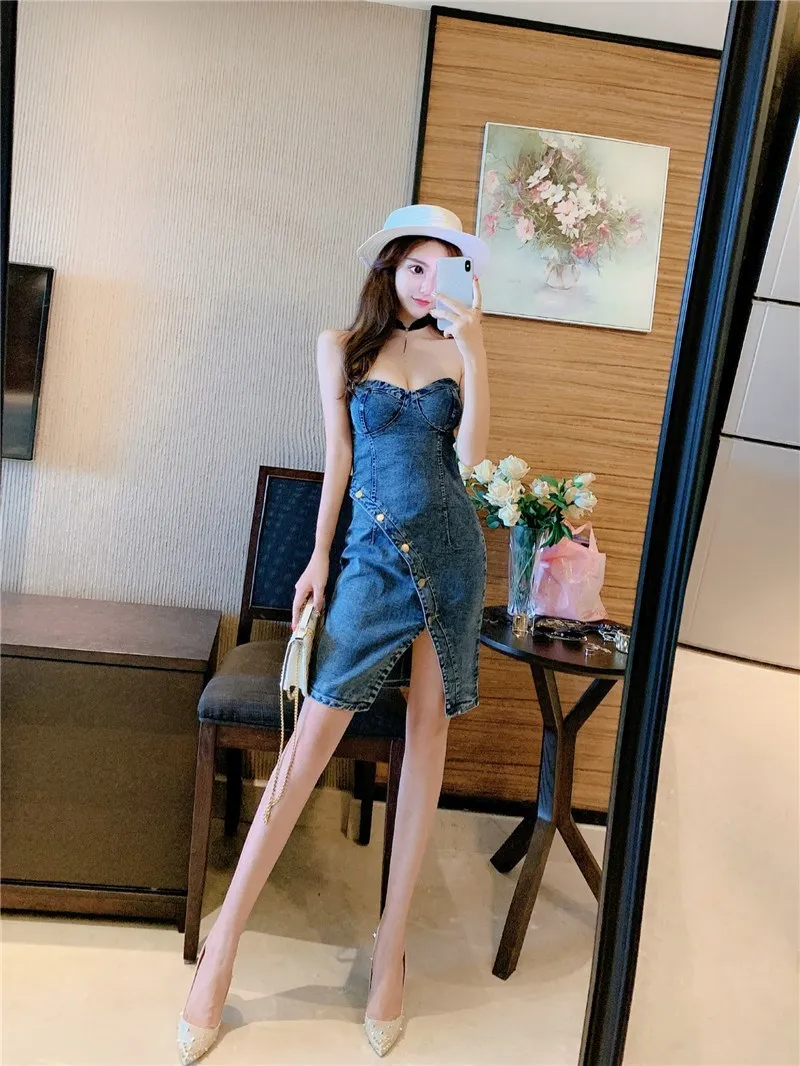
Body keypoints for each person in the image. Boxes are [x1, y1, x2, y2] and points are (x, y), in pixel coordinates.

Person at [177, 204, 491, 1063]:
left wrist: (479, 355)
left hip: (453, 560)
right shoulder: (341, 346)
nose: (428, 284)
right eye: (416, 266)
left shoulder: (459, 350)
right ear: (389, 268)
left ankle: (392, 955)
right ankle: (223, 947)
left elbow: (472, 464)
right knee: (308, 743)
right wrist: (317, 557)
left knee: (427, 744)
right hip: (371, 562)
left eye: (444, 269)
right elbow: (338, 458)